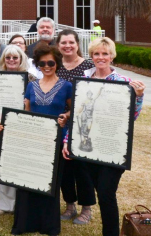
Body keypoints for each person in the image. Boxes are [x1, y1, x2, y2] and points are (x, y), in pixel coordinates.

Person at [62, 37, 145, 236]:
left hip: (112, 147)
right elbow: (78, 113)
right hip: (87, 146)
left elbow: (132, 116)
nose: (101, 57)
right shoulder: (83, 80)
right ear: (91, 56)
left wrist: (139, 96)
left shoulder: (124, 83)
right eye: (97, 54)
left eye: (105, 54)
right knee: (97, 188)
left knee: (107, 193)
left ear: (112, 56)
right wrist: (68, 141)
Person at [10, 44, 71, 236]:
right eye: (42, 63)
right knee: (27, 181)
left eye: (51, 62)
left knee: (49, 184)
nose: (47, 66)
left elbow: (73, 110)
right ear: (37, 64)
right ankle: (23, 225)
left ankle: (49, 226)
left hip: (55, 142)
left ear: (57, 63)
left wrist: (66, 117)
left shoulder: (67, 86)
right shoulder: (31, 85)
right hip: (32, 140)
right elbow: (26, 112)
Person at [55, 29, 96, 223]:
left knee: (82, 168)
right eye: (63, 43)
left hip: (82, 125)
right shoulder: (55, 66)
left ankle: (86, 208)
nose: (67, 46)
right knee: (64, 168)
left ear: (77, 44)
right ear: (58, 45)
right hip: (60, 124)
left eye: (71, 42)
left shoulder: (88, 67)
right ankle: (69, 205)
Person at [0, 44, 29, 215]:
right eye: (8, 57)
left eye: (15, 57)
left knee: (20, 166)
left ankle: (20, 204)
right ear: (3, 60)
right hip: (0, 127)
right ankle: (4, 204)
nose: (11, 60)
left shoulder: (31, 79)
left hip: (22, 128)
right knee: (3, 164)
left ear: (21, 60)